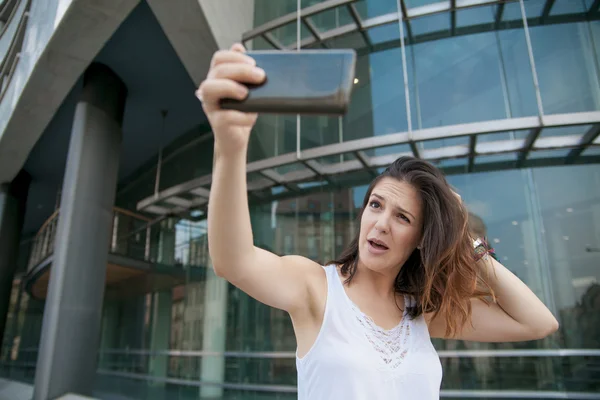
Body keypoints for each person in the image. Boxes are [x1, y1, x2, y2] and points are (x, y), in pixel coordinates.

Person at [196, 43, 559, 400]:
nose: (382, 223)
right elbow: (233, 260)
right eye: (375, 205)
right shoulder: (316, 288)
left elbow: (538, 323)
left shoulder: (421, 313)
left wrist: (466, 239)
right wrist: (229, 147)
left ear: (420, 237)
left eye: (402, 217)